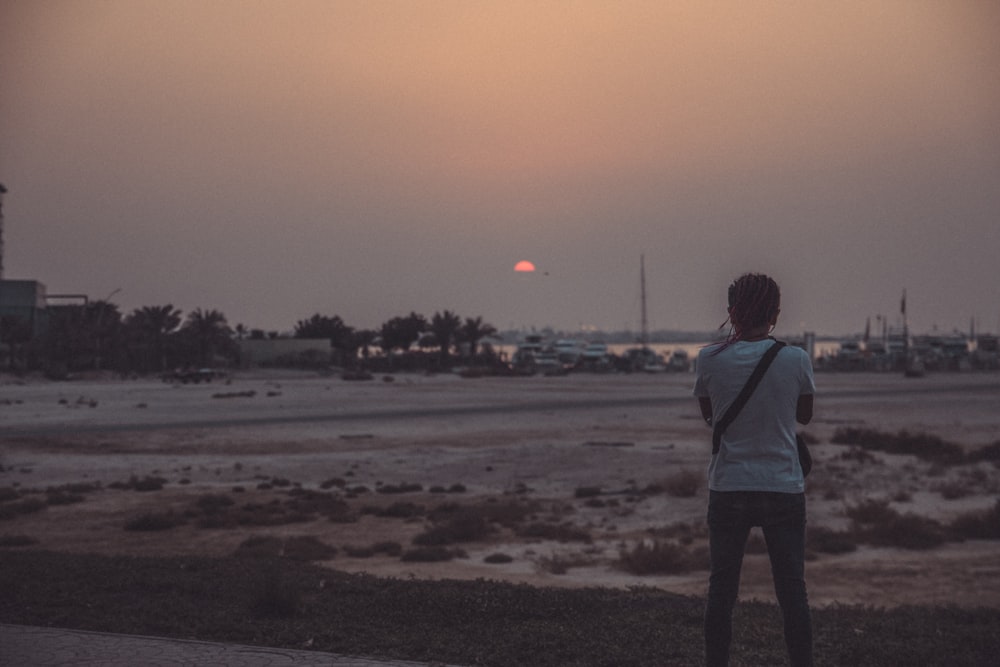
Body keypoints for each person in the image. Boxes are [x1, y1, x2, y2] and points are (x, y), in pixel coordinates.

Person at [693, 273, 815, 667]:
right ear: (775, 313)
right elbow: (805, 416)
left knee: (721, 589)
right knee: (792, 590)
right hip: (782, 484)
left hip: (729, 485)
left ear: (732, 312)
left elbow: (711, 415)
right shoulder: (795, 359)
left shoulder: (709, 359)